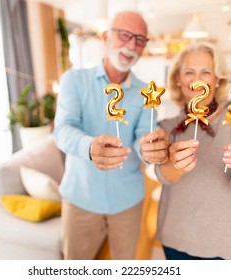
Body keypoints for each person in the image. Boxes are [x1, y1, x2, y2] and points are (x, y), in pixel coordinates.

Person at [53, 10, 169, 260]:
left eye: (140, 39)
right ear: (106, 37)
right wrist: (89, 146)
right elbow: (62, 130)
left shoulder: (146, 93)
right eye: (125, 35)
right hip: (80, 197)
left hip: (128, 199)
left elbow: (143, 136)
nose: (131, 45)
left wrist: (150, 147)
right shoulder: (74, 80)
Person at [154, 41, 231, 260]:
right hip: (178, 236)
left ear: (217, 80)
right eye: (189, 72)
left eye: (206, 72)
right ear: (178, 78)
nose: (197, 80)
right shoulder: (166, 128)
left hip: (230, 240)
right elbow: (161, 176)